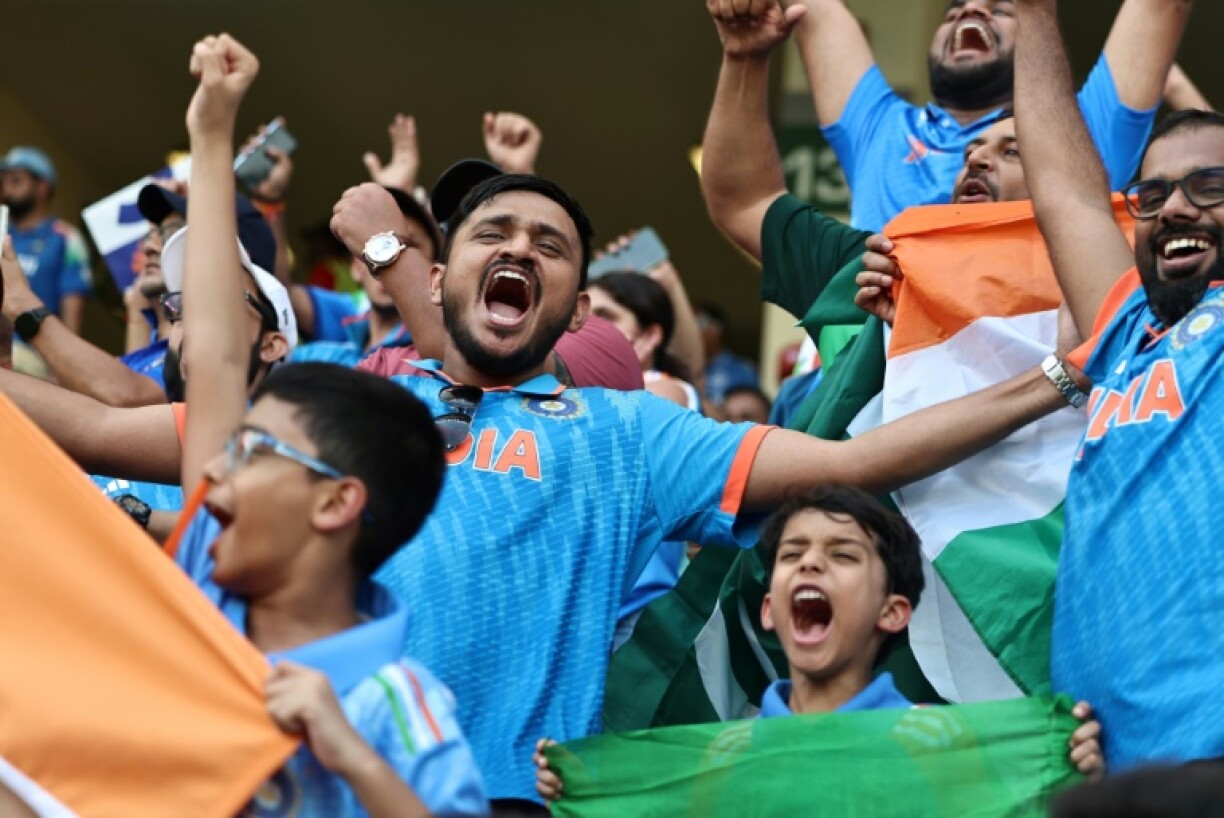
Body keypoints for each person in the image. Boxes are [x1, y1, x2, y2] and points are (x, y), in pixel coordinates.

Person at [335, 160, 1084, 806]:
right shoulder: (353, 403)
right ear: (437, 280)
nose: (521, 249)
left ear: (580, 314)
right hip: (323, 772)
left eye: (550, 245)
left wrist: (1054, 379)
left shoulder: (630, 433)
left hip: (509, 797)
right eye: (493, 234)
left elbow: (854, 464)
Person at [170, 33, 487, 816]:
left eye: (251, 453)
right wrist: (210, 134)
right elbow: (216, 359)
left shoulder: (395, 702)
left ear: (336, 501)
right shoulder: (202, 586)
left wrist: (349, 754)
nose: (211, 473)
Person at [534, 486, 1103, 801]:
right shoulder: (722, 754)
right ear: (768, 610)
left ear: (893, 612)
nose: (810, 562)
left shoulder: (941, 743)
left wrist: (1069, 777)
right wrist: (586, 791)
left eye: (843, 554)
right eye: (792, 554)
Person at [1013, 0, 1224, 769]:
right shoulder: (1126, 332)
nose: (1175, 208)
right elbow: (1064, 191)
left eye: (1210, 186)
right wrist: (1032, 14)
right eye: (1153, 195)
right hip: (1104, 770)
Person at [721, 0, 1193, 230]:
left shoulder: (1084, 132)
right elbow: (813, 9)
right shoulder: (879, 130)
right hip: (893, 378)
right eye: (953, 12)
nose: (971, 9)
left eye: (1002, 8)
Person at [0, 146, 92, 339]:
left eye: (16, 181)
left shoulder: (66, 238)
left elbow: (72, 321)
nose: (7, 189)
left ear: (42, 187)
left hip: (29, 351)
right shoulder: (2, 230)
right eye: (4, 182)